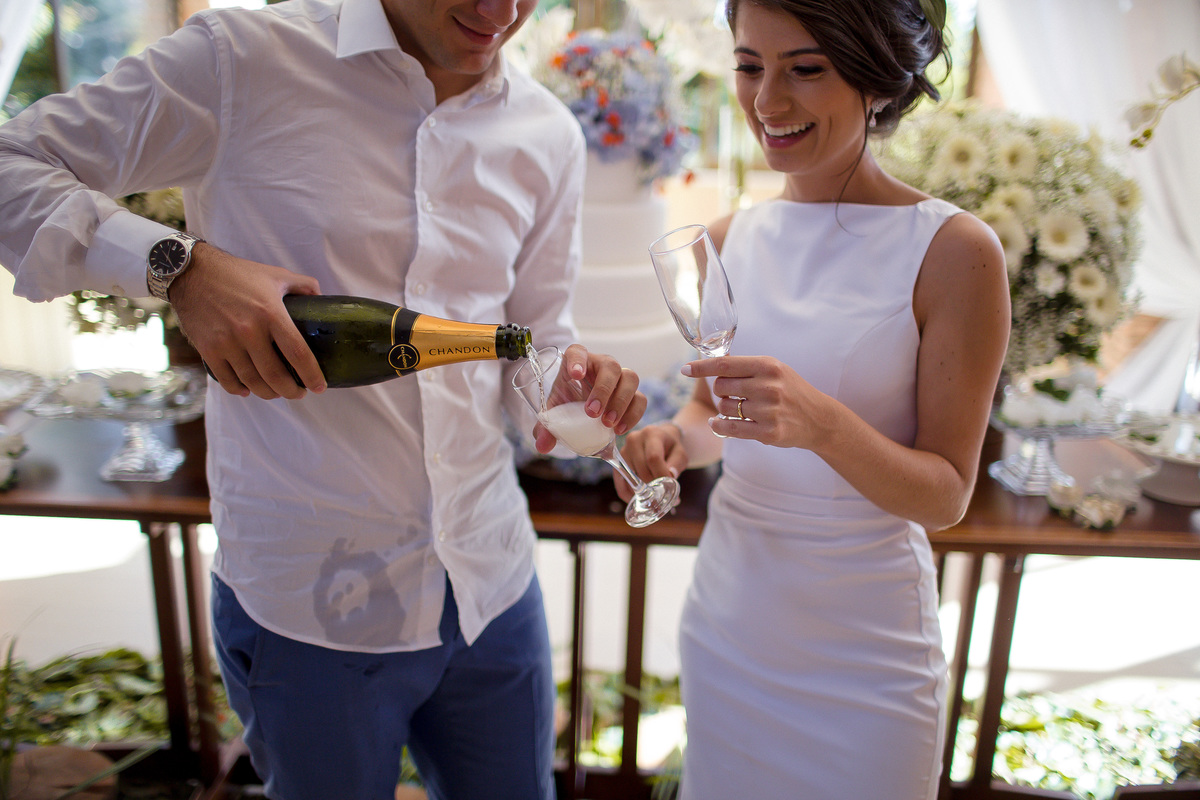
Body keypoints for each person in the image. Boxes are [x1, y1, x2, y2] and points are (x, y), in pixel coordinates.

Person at [0, 0, 649, 797]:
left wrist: (569, 389)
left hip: (490, 582)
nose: (501, 11)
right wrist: (178, 266)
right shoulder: (242, 60)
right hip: (307, 603)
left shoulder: (546, 131)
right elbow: (10, 164)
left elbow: (534, 335)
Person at [617, 0, 1010, 797]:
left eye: (804, 69)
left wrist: (824, 424)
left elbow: (945, 496)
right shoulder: (726, 240)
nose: (767, 102)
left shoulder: (955, 252)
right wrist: (674, 443)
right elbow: (711, 416)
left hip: (866, 651)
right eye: (749, 65)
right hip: (733, 620)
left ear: (875, 80)